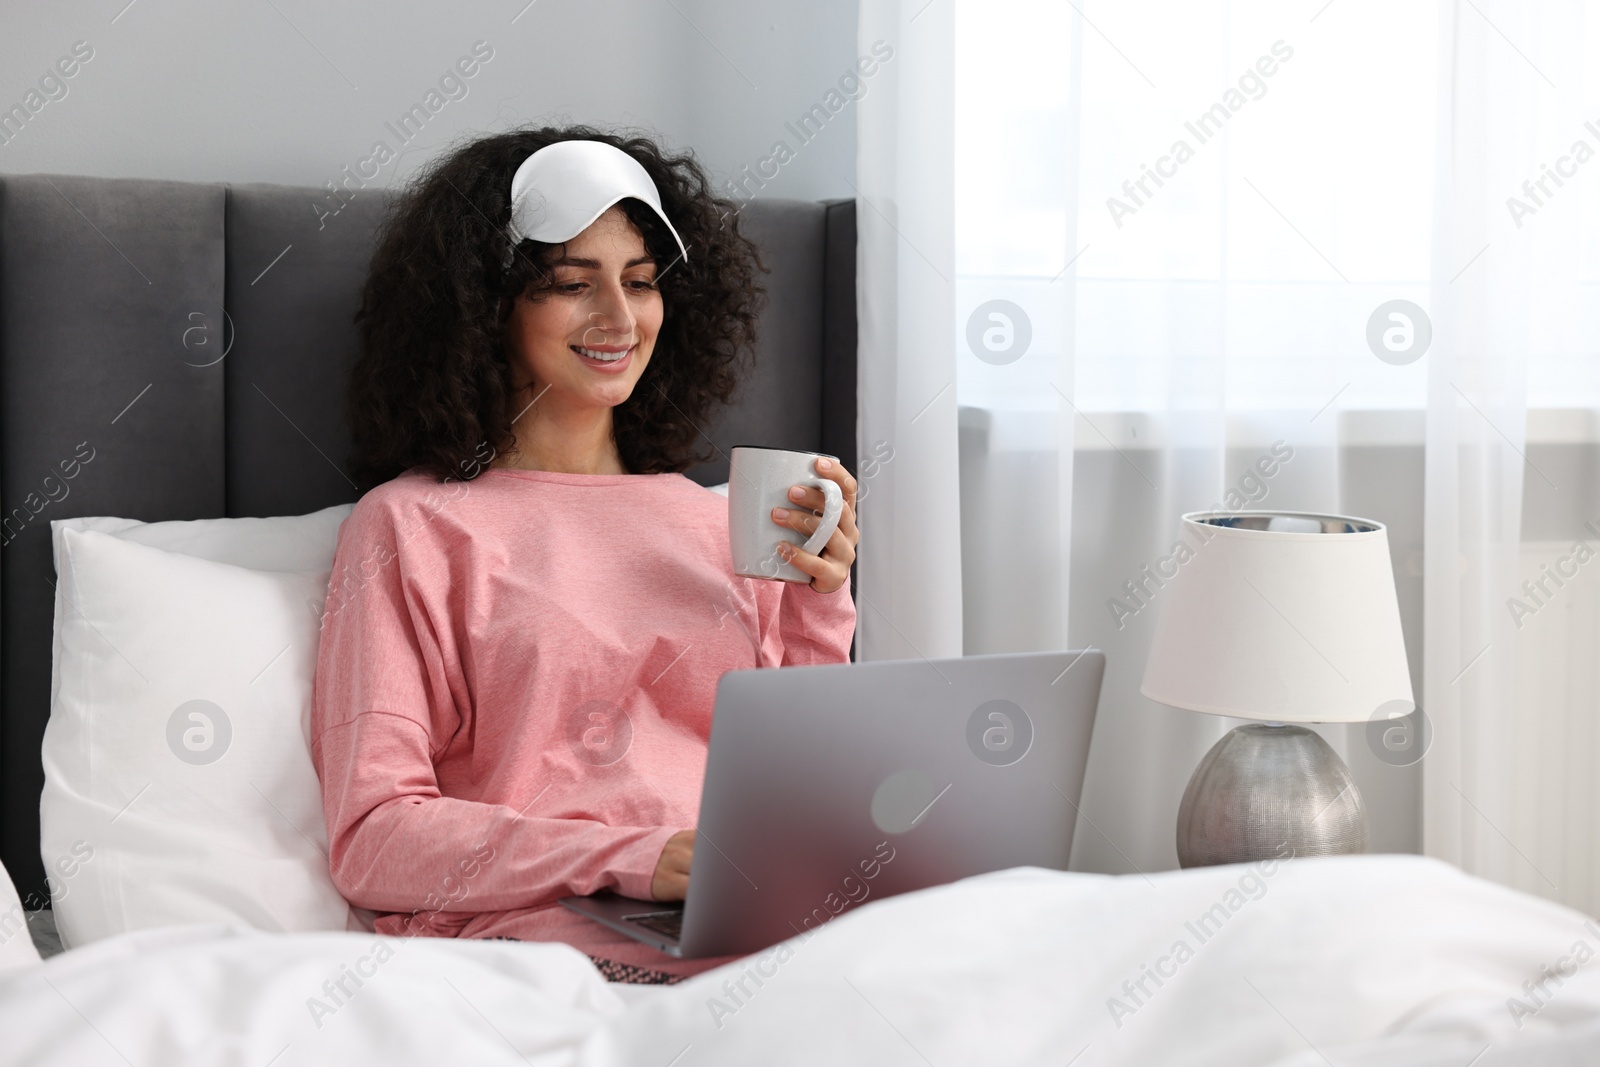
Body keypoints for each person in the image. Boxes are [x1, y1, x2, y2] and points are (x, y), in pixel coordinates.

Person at [309, 126, 860, 984]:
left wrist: (823, 600)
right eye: (572, 284)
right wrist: (634, 857)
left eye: (640, 283)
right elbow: (374, 838)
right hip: (548, 945)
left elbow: (805, 782)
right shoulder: (410, 526)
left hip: (756, 922)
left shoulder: (715, 519)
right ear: (491, 306)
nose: (618, 317)